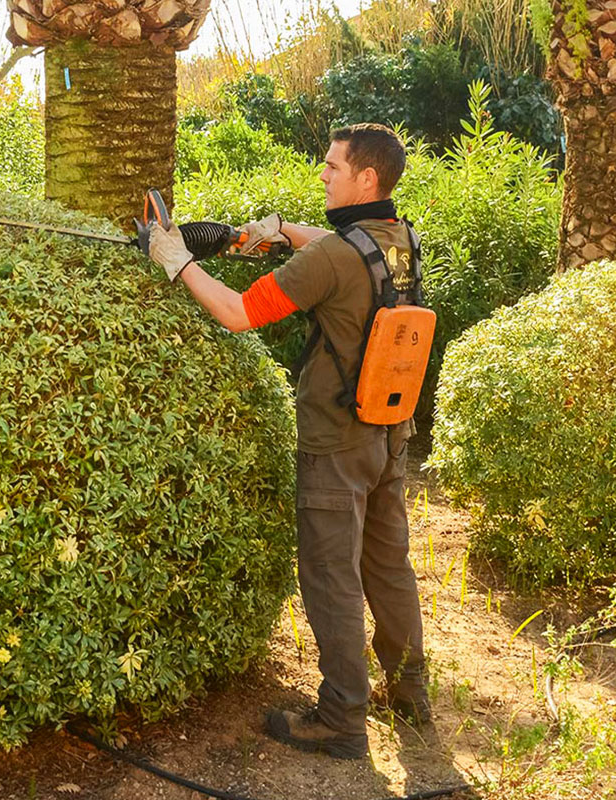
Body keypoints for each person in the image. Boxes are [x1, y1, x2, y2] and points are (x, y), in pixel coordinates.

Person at [147, 123, 430, 760]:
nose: (323, 176)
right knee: (387, 565)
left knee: (331, 576)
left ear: (366, 179)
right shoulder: (400, 238)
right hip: (390, 434)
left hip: (336, 442)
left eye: (333, 168)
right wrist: (281, 235)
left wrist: (179, 260)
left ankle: (340, 719)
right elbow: (342, 247)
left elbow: (239, 313)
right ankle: (410, 691)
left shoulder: (332, 257)